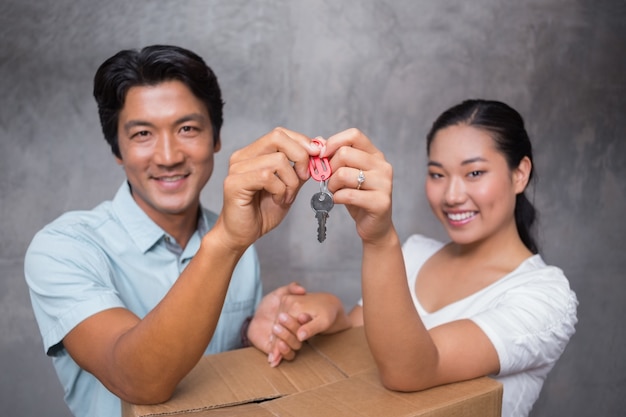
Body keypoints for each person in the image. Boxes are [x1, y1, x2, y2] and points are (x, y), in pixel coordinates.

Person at [24, 44, 350, 417]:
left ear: (215, 138)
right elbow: (138, 380)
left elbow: (225, 365)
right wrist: (227, 241)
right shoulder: (62, 248)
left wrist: (252, 331)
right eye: (143, 134)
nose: (168, 156)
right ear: (118, 150)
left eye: (187, 128)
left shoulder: (235, 237)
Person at [271, 100, 578, 417]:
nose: (452, 195)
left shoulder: (546, 296)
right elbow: (362, 341)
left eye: (474, 172)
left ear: (520, 174)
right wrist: (332, 314)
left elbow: (410, 370)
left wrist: (379, 238)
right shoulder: (416, 252)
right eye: (437, 174)